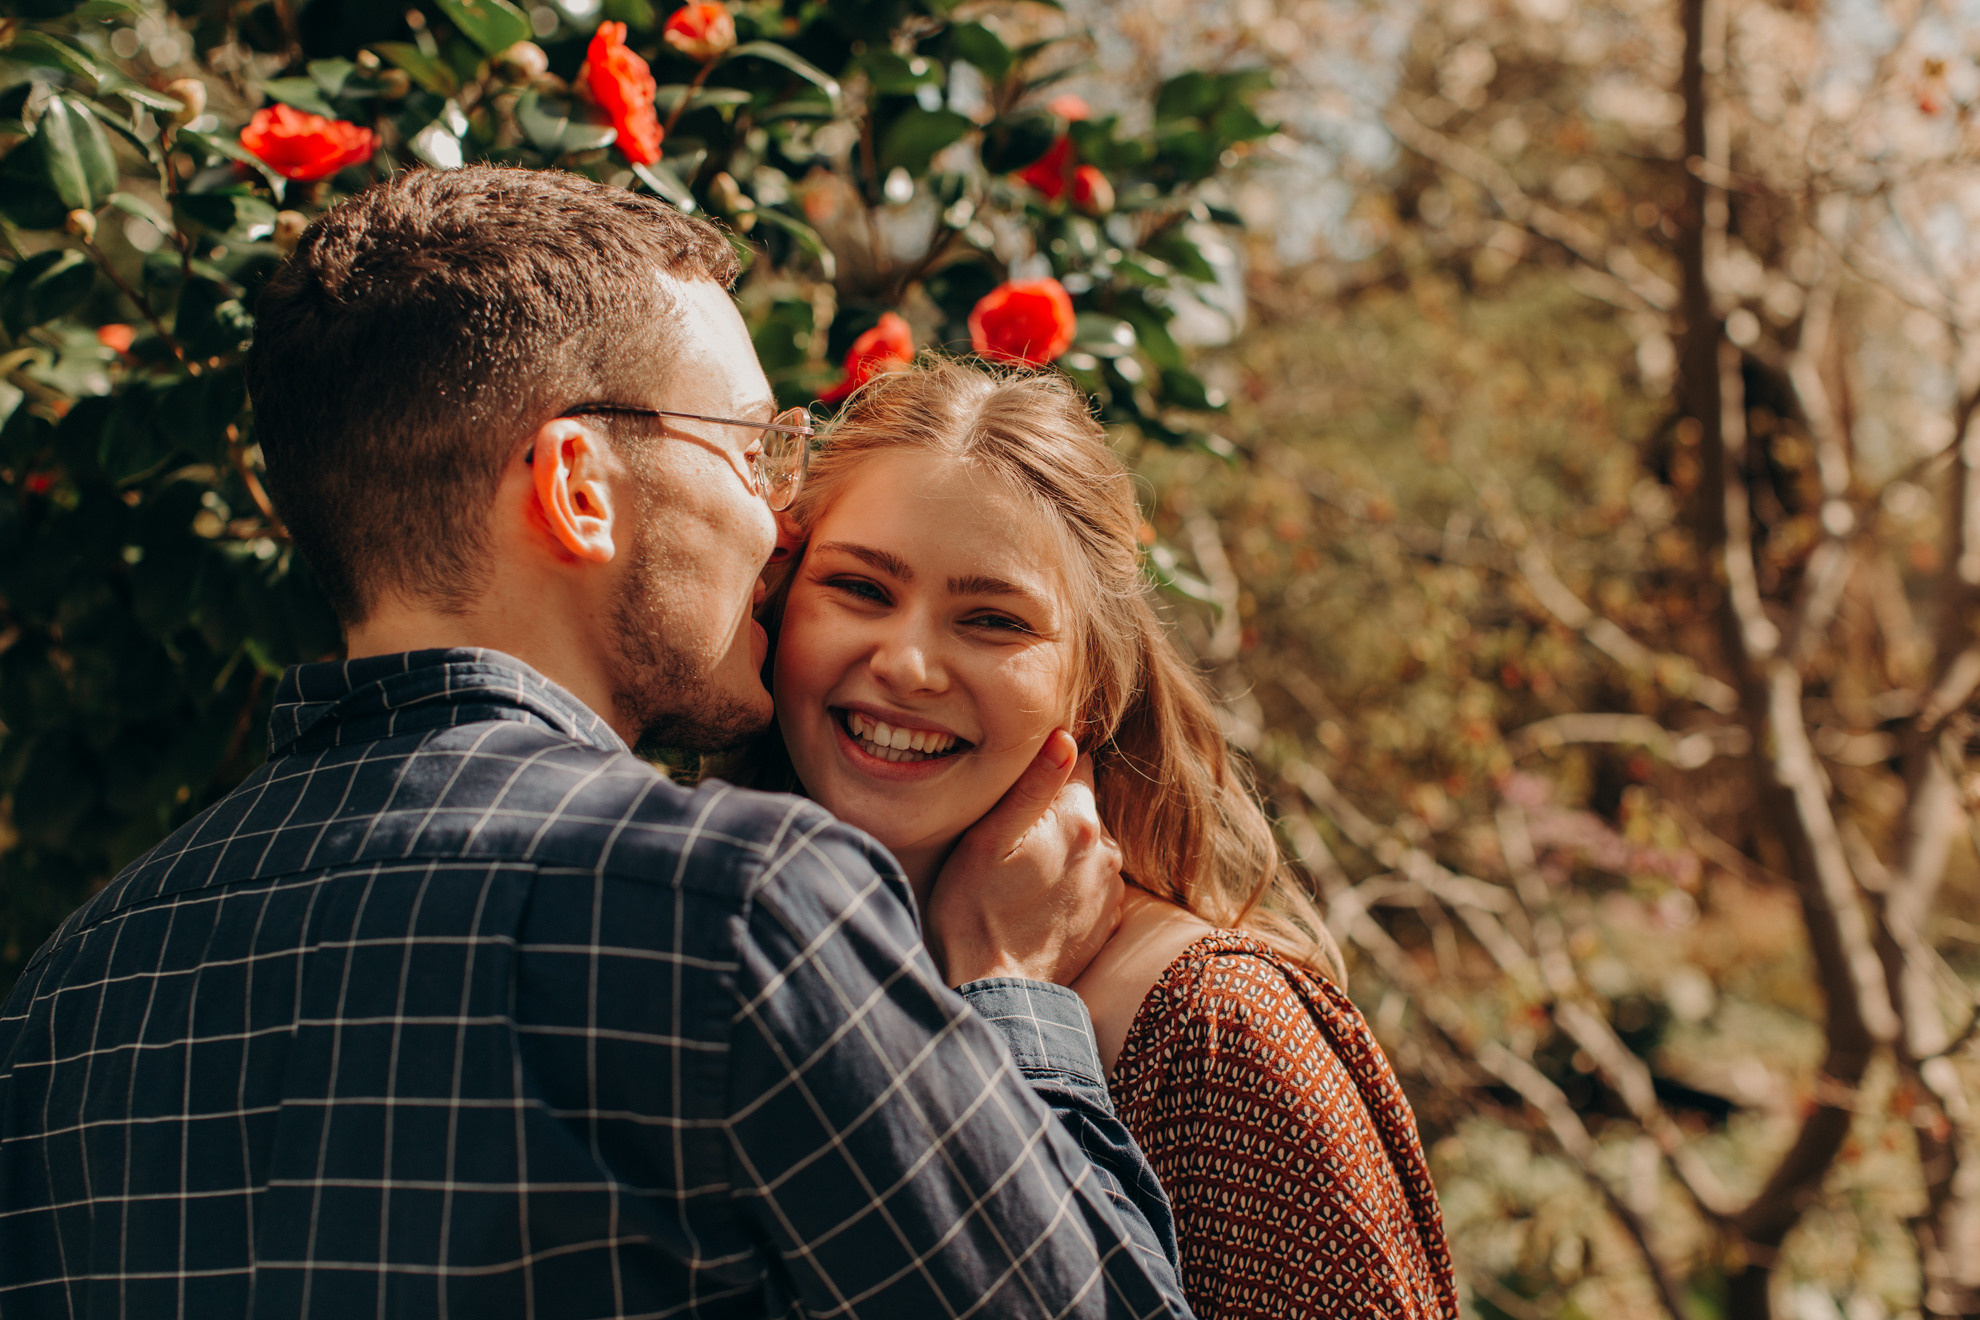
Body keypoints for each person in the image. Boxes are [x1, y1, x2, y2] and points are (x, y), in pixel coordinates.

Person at [0, 167, 1196, 1318]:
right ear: (580, 485)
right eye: (747, 450)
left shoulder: (68, 994)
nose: (779, 522)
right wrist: (1012, 997)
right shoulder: (732, 909)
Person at [742, 357, 1462, 1318]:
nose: (908, 664)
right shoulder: (739, 968)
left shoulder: (1217, 1036)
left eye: (992, 619)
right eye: (861, 589)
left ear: (1093, 684)